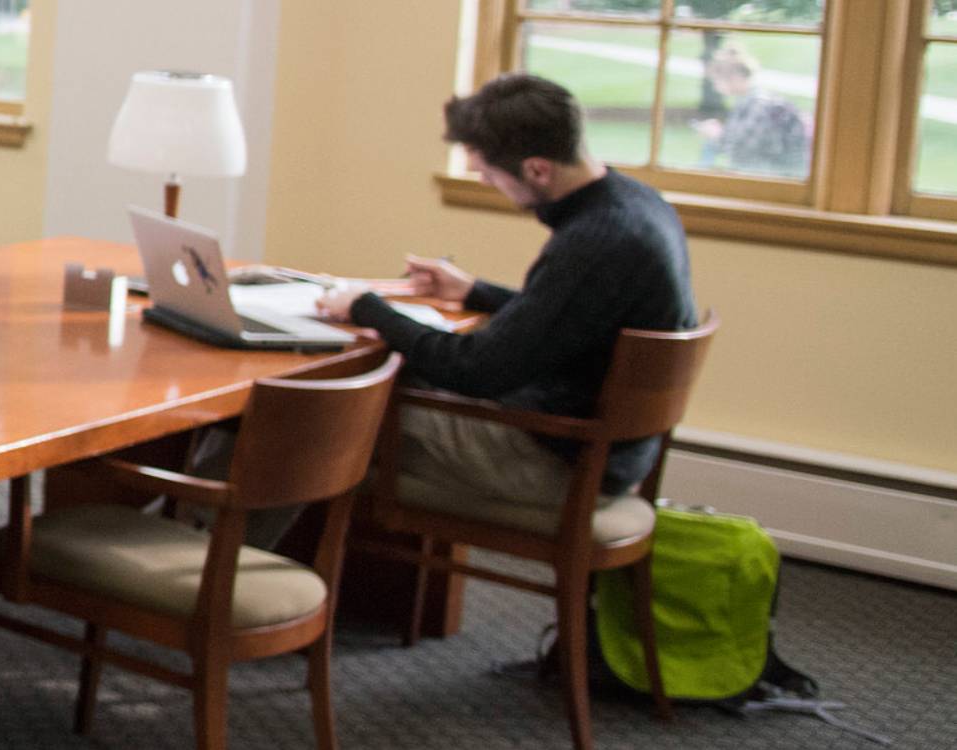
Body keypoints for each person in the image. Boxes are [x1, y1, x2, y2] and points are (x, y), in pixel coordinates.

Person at [311, 72, 699, 537]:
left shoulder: (594, 242)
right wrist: (474, 292)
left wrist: (367, 309)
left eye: (489, 175)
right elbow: (572, 317)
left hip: (559, 462)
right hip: (606, 449)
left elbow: (476, 371)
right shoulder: (637, 204)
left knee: (316, 420)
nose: (491, 185)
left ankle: (220, 578)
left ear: (536, 169)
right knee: (362, 395)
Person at [694, 46, 812, 177]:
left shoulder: (759, 105)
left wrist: (716, 135)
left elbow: (743, 150)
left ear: (734, 77)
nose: (715, 86)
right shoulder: (746, 102)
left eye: (717, 80)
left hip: (777, 176)